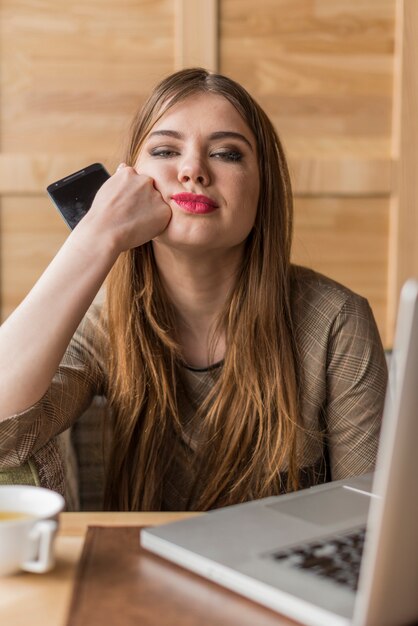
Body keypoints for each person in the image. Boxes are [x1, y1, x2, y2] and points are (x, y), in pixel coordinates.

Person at [0, 68, 387, 512]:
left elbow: (366, 520)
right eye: (166, 150)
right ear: (129, 184)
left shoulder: (337, 320)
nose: (193, 171)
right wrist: (95, 238)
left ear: (263, 188)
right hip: (137, 572)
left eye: (226, 154)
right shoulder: (105, 319)